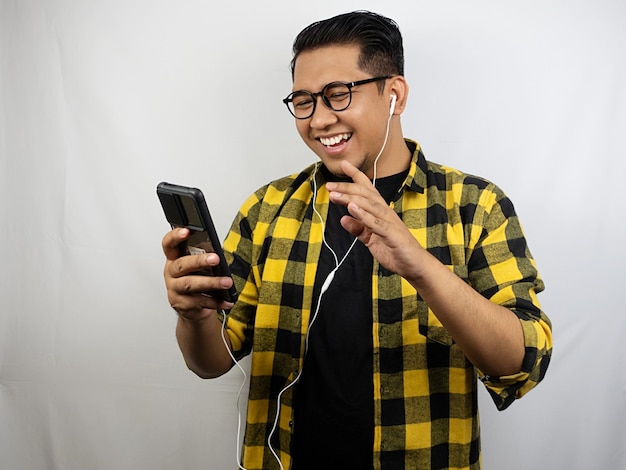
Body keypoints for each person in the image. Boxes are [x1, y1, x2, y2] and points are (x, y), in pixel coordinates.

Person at [162, 10, 552, 470]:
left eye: (338, 95)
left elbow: (525, 358)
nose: (320, 120)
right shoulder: (266, 209)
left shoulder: (475, 206)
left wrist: (419, 266)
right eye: (303, 101)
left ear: (395, 95)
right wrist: (193, 317)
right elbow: (211, 362)